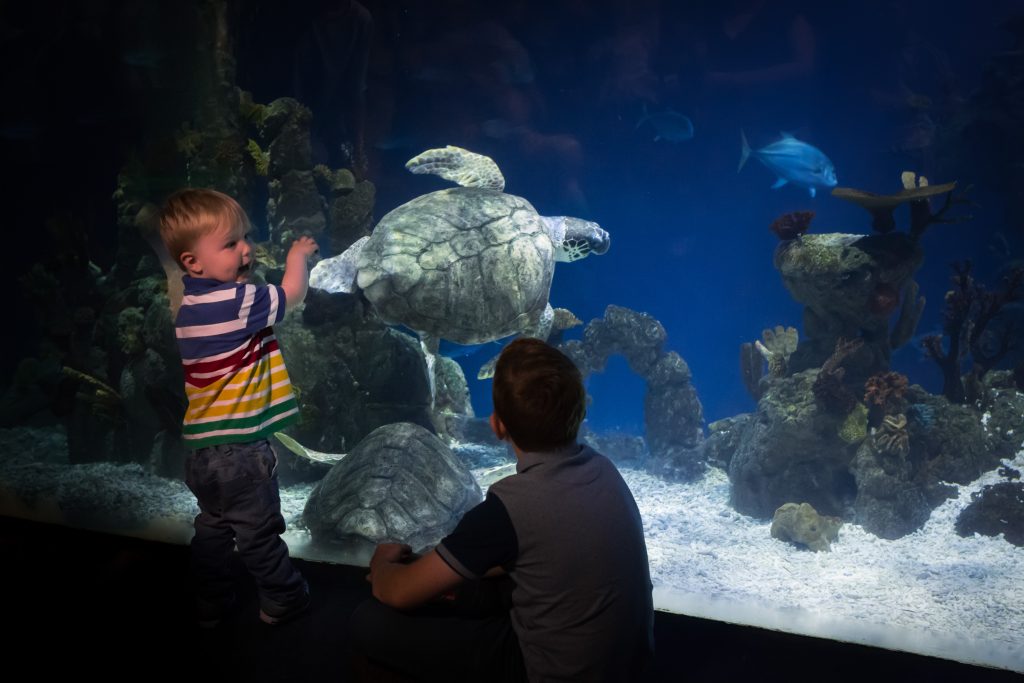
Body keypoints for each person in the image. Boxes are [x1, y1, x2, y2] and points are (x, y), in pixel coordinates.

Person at [349, 338, 654, 682]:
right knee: (477, 588)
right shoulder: (604, 470)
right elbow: (548, 547)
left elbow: (396, 592)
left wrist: (383, 563)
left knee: (369, 621)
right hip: (629, 666)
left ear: (497, 425)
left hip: (549, 671)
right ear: (581, 412)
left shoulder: (510, 506)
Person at [158, 188, 318, 627]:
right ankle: (283, 598)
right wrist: (298, 255)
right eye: (230, 243)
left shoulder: (189, 309)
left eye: (245, 236)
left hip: (202, 451)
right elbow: (292, 294)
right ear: (193, 262)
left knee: (214, 527)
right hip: (241, 452)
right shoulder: (237, 302)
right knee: (258, 531)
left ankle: (210, 600)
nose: (246, 249)